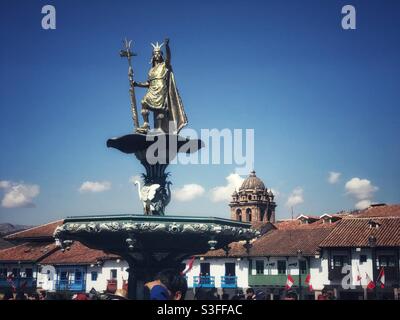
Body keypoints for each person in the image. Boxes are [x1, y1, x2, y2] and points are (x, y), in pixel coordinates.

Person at [133, 38, 187, 134]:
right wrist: (137, 84)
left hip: (161, 89)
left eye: (159, 53)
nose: (157, 55)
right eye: (155, 54)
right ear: (153, 56)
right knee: (143, 102)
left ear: (161, 55)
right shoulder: (151, 70)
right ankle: (146, 124)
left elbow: (169, 57)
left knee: (160, 109)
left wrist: (167, 46)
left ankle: (160, 128)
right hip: (152, 89)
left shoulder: (164, 65)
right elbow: (148, 84)